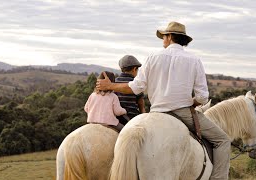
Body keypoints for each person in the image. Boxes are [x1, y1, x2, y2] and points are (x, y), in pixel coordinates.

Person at [96, 21, 230, 179]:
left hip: (156, 112)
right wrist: (192, 102)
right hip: (183, 112)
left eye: (164, 36)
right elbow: (202, 97)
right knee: (223, 140)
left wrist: (111, 86)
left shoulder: (153, 57)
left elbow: (136, 87)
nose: (163, 40)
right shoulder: (194, 60)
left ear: (170, 36)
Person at [115, 55, 146, 125]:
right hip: (132, 118)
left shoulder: (114, 82)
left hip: (116, 118)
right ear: (134, 69)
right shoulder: (136, 84)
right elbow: (141, 105)